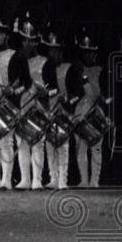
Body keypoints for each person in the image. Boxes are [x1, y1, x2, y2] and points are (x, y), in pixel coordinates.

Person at [0, 4, 29, 192]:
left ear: (6, 35)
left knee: (6, 140)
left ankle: (6, 179)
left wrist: (13, 92)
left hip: (10, 104)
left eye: (0, 33)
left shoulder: (16, 56)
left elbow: (26, 82)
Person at [41, 27, 82, 190]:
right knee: (50, 145)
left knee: (63, 146)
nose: (53, 53)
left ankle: (63, 180)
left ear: (61, 51)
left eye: (56, 50)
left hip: (65, 111)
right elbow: (48, 88)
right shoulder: (47, 67)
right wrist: (48, 95)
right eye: (51, 50)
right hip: (50, 109)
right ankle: (53, 178)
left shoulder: (70, 68)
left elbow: (79, 92)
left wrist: (68, 100)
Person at [14, 12, 48, 190]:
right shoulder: (18, 60)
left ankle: (37, 179)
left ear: (36, 42)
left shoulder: (43, 61)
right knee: (21, 142)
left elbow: (49, 86)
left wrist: (43, 90)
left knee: (37, 142)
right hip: (21, 104)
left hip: (38, 106)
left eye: (31, 40)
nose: (28, 43)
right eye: (25, 40)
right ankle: (24, 179)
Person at [72, 28, 107, 188]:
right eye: (86, 51)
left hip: (97, 112)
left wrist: (104, 102)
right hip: (80, 111)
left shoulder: (101, 71)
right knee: (80, 147)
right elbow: (74, 93)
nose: (89, 55)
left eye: (92, 52)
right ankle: (84, 180)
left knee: (96, 148)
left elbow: (107, 94)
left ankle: (95, 181)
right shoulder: (76, 70)